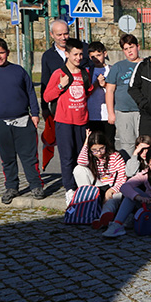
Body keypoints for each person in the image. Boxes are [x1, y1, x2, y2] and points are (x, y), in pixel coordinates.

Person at [0, 38, 44, 203]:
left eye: (1, 53)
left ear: (7, 52)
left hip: (23, 120)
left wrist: (35, 113)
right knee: (7, 157)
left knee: (29, 156)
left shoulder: (18, 71)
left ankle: (36, 186)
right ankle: (11, 187)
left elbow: (31, 92)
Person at [43, 38, 96, 201]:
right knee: (67, 157)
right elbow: (46, 96)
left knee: (83, 157)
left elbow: (86, 93)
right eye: (75, 54)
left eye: (81, 54)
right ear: (67, 54)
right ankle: (69, 189)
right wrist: (60, 86)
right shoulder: (59, 73)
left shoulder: (84, 73)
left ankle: (83, 186)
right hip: (64, 121)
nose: (78, 58)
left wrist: (97, 86)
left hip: (82, 121)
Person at [73, 129, 126, 228]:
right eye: (94, 150)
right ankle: (87, 204)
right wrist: (86, 142)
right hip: (97, 186)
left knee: (112, 200)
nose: (98, 153)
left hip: (112, 187)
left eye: (101, 148)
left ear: (106, 145)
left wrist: (111, 190)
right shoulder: (90, 157)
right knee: (78, 169)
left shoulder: (115, 156)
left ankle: (102, 218)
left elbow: (122, 178)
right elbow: (81, 161)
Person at [105, 34, 142, 154]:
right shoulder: (118, 67)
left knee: (144, 143)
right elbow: (110, 90)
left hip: (142, 111)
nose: (129, 51)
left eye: (131, 47)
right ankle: (129, 171)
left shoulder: (146, 64)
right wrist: (111, 113)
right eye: (126, 49)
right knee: (127, 146)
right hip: (123, 112)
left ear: (138, 47)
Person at [86, 42, 113, 146]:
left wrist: (105, 84)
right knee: (93, 144)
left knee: (109, 143)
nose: (96, 59)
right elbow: (86, 92)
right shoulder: (88, 71)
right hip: (92, 115)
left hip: (107, 114)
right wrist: (96, 84)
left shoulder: (111, 69)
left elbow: (115, 90)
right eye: (93, 57)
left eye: (99, 55)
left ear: (105, 54)